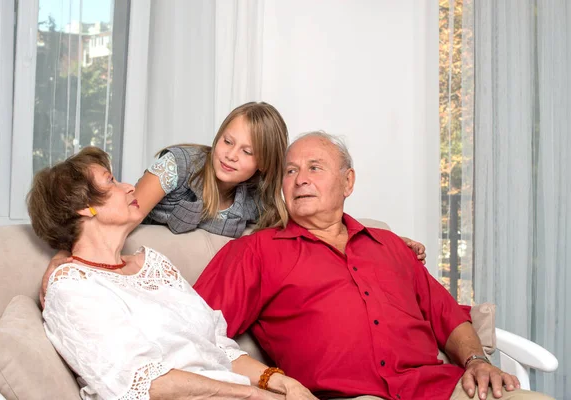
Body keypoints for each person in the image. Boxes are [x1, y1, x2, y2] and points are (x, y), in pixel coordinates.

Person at [192, 132, 553, 400]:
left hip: (441, 388)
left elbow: (447, 316)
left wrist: (476, 360)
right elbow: (191, 329)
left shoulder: (391, 246)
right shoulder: (256, 251)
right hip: (347, 396)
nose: (300, 179)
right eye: (290, 171)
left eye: (314, 168)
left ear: (347, 182)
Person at [41, 103, 426, 304]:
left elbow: (316, 221)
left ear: (263, 165)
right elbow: (120, 213)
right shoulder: (178, 164)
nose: (230, 156)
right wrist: (63, 257)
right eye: (227, 141)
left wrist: (381, 239)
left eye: (247, 152)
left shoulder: (257, 198)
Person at [27, 147, 317, 400]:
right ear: (83, 208)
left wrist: (282, 383)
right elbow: (144, 384)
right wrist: (254, 394)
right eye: (110, 181)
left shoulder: (154, 265)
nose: (129, 187)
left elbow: (218, 347)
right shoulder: (73, 288)